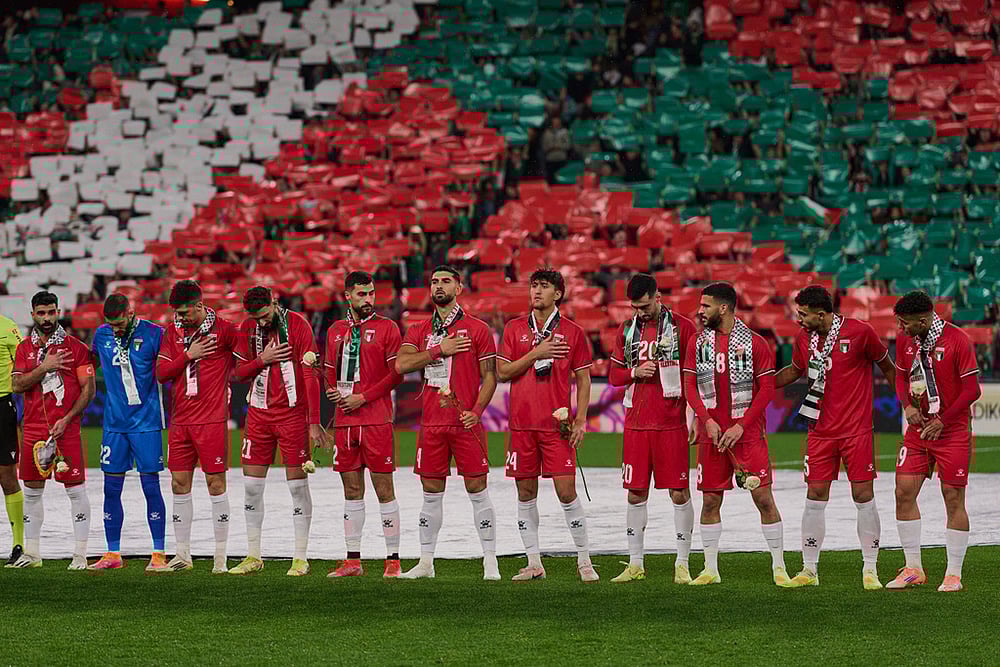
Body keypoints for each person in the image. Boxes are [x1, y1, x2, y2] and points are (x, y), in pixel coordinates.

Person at [774, 285, 896, 589]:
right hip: (819, 430)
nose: (798, 320)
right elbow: (795, 370)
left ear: (820, 313)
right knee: (814, 496)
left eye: (803, 314)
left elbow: (887, 366)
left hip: (856, 430)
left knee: (863, 496)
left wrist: (908, 403)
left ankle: (870, 570)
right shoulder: (804, 338)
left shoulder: (861, 332)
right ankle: (809, 571)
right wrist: (761, 386)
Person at [394, 265, 500, 580]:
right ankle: (426, 562)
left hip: (466, 422)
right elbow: (401, 364)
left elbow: (491, 377)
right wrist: (439, 349)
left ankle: (490, 561)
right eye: (434, 282)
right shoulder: (418, 329)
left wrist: (477, 411)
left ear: (459, 288)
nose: (439, 286)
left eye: (446, 281)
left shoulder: (478, 329)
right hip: (432, 424)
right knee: (430, 492)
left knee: (477, 488)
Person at [682, 283, 791, 587]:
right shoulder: (696, 343)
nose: (700, 311)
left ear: (724, 308)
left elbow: (767, 389)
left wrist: (741, 425)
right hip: (713, 435)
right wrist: (705, 420)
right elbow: (690, 387)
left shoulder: (756, 343)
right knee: (710, 500)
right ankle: (710, 568)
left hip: (747, 434)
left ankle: (779, 568)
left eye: (705, 306)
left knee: (763, 498)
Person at [496, 269, 597, 582]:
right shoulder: (514, 329)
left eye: (544, 287)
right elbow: (502, 372)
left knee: (566, 492)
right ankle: (534, 562)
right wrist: (536, 353)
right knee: (525, 494)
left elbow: (583, 377)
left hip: (557, 427)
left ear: (558, 294)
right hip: (523, 425)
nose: (536, 291)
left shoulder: (573, 332)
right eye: (533, 286)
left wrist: (581, 419)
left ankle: (584, 560)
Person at [230, 286, 330, 576]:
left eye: (264, 315)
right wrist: (264, 359)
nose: (260, 322)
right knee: (251, 487)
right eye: (255, 317)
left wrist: (313, 421)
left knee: (297, 487)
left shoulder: (298, 325)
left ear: (274, 303)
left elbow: (310, 375)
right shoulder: (247, 328)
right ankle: (253, 556)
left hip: (292, 415)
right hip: (258, 415)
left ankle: (300, 558)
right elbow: (239, 372)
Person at [607, 273, 697, 584]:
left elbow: (692, 377)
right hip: (636, 424)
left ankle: (682, 563)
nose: (640, 312)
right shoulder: (627, 329)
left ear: (658, 297)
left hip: (671, 423)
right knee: (635, 493)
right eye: (635, 307)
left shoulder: (683, 328)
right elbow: (613, 377)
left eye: (645, 306)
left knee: (679, 492)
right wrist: (635, 371)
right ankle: (635, 564)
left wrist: (695, 416)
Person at [889, 290, 981, 592]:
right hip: (919, 430)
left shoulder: (958, 340)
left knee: (953, 498)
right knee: (903, 492)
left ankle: (953, 573)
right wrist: (907, 406)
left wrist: (943, 421)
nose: (901, 329)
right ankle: (913, 568)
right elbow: (901, 378)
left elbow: (972, 391)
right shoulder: (906, 340)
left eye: (906, 323)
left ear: (923, 319)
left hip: (951, 430)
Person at [324, 271, 404, 578]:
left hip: (376, 420)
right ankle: (353, 560)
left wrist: (363, 397)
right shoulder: (335, 330)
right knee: (351, 490)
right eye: (361, 294)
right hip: (345, 423)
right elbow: (330, 373)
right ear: (347, 296)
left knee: (384, 489)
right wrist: (333, 391)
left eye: (371, 293)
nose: (368, 299)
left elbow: (395, 376)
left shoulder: (387, 328)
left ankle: (393, 561)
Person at [156, 280, 239, 573]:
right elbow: (162, 373)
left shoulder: (226, 330)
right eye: (177, 313)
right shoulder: (172, 334)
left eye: (185, 312)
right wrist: (189, 355)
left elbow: (243, 364)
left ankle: (220, 558)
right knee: (179, 484)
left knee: (216, 485)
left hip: (212, 421)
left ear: (200, 305)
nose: (181, 318)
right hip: (180, 422)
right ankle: (182, 555)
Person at [9, 291, 95, 569]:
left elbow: (88, 390)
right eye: (41, 313)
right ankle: (33, 554)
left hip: (65, 429)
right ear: (32, 314)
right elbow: (18, 385)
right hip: (33, 428)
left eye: (52, 312)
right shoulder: (24, 349)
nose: (47, 318)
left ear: (58, 311)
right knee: (32, 491)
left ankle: (80, 554)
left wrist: (68, 418)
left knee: (75, 489)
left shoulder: (77, 347)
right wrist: (44, 367)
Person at [87, 294, 168, 571]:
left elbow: (170, 369)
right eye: (112, 324)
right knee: (111, 488)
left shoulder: (155, 334)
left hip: (146, 423)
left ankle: (158, 553)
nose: (116, 329)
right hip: (114, 425)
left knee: (150, 487)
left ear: (131, 312)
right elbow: (88, 366)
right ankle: (112, 553)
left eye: (120, 323)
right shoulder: (102, 334)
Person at [1, 311, 24, 566]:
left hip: (1, 407)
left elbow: (23, 365)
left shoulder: (7, 327)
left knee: (7, 477)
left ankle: (18, 544)